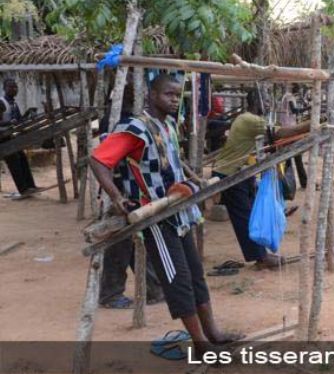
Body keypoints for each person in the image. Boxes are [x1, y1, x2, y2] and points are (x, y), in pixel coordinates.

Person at [90, 74, 239, 351]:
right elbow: (99, 160)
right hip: (155, 217)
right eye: (168, 95)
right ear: (152, 95)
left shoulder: (169, 125)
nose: (174, 100)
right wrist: (117, 196)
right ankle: (200, 342)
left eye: (177, 95)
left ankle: (213, 332)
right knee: (177, 279)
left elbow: (172, 164)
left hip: (178, 211)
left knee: (195, 274)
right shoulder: (134, 128)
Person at [213, 88, 310, 268]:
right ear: (255, 101)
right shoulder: (250, 120)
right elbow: (280, 133)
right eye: (265, 100)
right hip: (230, 173)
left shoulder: (248, 119)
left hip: (243, 171)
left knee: (250, 213)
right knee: (242, 216)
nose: (267, 103)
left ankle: (260, 254)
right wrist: (313, 124)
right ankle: (260, 258)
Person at [96, 83, 164, 309]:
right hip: (123, 187)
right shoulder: (122, 121)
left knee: (138, 239)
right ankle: (110, 293)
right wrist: (116, 195)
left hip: (130, 188)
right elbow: (104, 159)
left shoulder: (129, 119)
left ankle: (153, 288)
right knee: (121, 242)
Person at [0, 78, 39, 196]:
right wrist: (9, 123)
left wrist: (28, 113)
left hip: (9, 136)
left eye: (15, 87)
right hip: (1, 138)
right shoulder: (1, 102)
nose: (14, 89)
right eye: (11, 87)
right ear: (4, 88)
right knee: (14, 160)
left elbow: (18, 120)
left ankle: (31, 186)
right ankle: (23, 189)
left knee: (22, 157)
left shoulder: (14, 103)